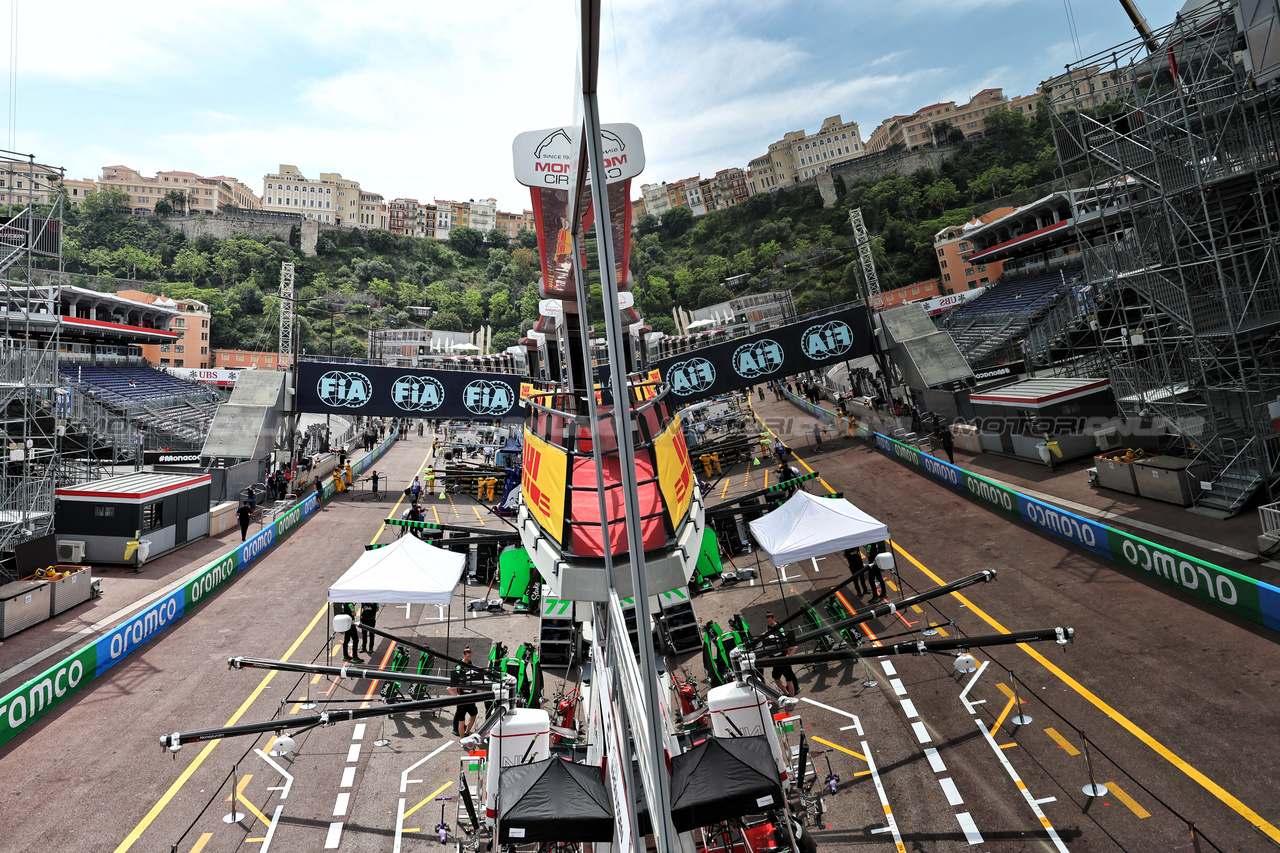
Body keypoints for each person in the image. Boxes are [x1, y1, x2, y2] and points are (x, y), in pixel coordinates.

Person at [761, 611, 799, 697]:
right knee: (776, 678)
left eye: (770, 621)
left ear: (774, 618)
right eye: (768, 622)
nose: (769, 623)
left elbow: (791, 644)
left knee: (789, 680)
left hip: (783, 659)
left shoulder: (780, 629)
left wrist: (789, 656)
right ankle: (786, 693)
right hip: (775, 661)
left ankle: (791, 698)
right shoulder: (768, 628)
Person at [450, 647, 482, 736]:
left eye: (470, 656)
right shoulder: (459, 666)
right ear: (463, 655)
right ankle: (455, 728)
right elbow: (456, 678)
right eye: (467, 656)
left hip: (469, 691)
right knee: (459, 712)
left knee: (463, 713)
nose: (468, 658)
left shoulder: (470, 663)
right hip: (462, 690)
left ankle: (462, 729)